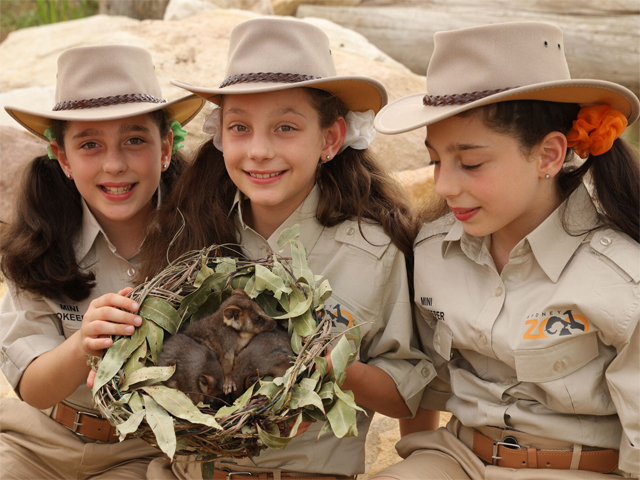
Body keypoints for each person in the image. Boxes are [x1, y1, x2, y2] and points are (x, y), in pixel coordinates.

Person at [141, 16, 434, 480]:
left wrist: (331, 365)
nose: (258, 150)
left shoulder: (376, 250)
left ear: (330, 139)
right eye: (240, 127)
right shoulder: (188, 236)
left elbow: (406, 393)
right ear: (220, 136)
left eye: (285, 128)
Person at [370, 21, 640, 479]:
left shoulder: (621, 277)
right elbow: (424, 385)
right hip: (456, 459)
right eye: (436, 160)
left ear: (549, 156)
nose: (444, 185)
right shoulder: (432, 252)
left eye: (471, 163)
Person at [0, 45, 204, 479]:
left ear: (165, 146)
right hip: (35, 440)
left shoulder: (205, 240)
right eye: (89, 144)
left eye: (134, 140)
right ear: (63, 158)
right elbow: (33, 389)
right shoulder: (38, 243)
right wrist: (83, 345)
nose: (115, 164)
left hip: (138, 451)